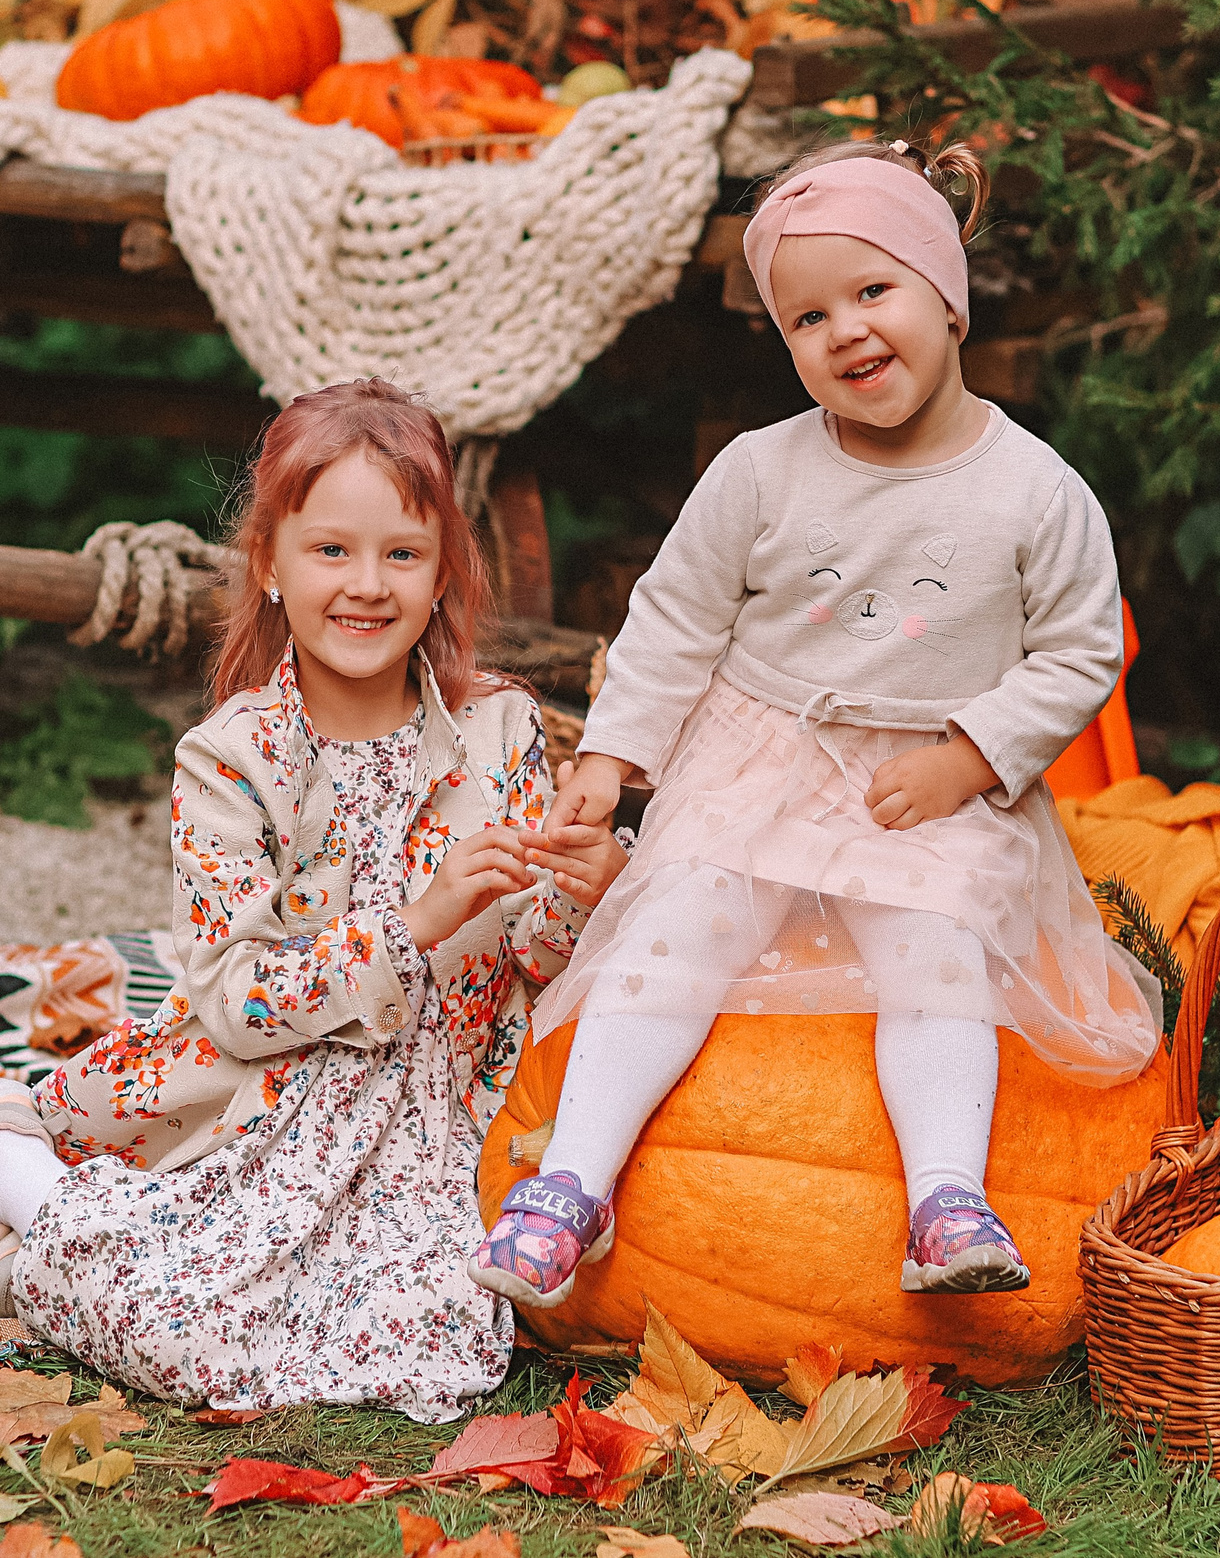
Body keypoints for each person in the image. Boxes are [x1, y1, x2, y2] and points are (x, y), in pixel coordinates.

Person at [0, 378, 628, 1421]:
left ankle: (42, 1264)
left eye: (402, 553)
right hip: (268, 1098)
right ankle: (6, 1178)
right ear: (269, 566)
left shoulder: (501, 733)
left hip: (434, 1119)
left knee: (440, 1352)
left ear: (443, 573)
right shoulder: (232, 762)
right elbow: (238, 1000)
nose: (367, 584)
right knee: (199, 1338)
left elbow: (533, 955)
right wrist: (414, 924)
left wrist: (583, 890)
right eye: (331, 550)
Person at [468, 137, 1161, 1310]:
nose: (843, 330)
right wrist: (613, 754)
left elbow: (1082, 649)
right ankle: (571, 1183)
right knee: (673, 931)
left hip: (927, 777)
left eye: (872, 292)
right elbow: (675, 618)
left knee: (932, 949)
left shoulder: (1035, 488)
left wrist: (973, 756)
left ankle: (945, 1199)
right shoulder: (758, 471)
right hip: (764, 754)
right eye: (806, 318)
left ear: (948, 294)